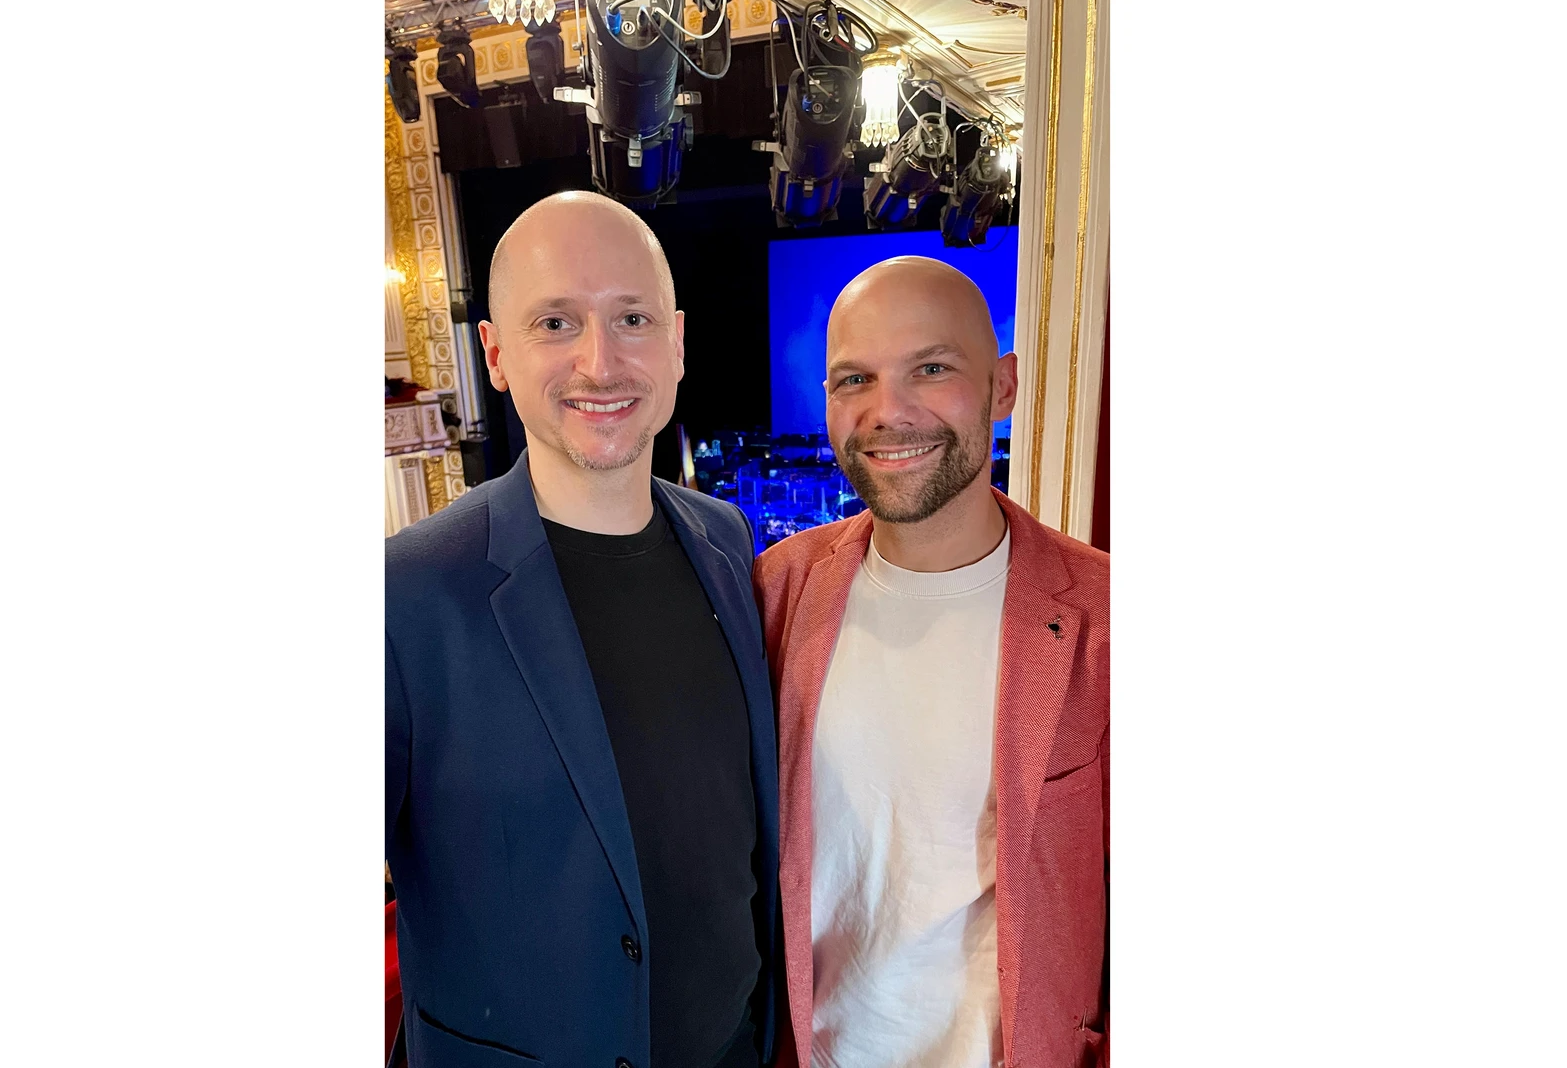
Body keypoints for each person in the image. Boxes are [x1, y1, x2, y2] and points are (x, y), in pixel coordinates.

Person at [386, 192, 779, 1068]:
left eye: (631, 319)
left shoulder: (725, 538)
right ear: (495, 354)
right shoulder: (401, 595)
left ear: (677, 342)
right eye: (555, 322)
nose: (600, 363)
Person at [754, 257, 1109, 1068]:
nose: (888, 411)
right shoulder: (778, 591)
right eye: (855, 379)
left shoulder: (1106, 619)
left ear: (1002, 386)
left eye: (931, 368)